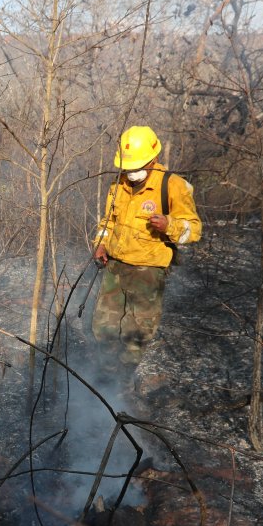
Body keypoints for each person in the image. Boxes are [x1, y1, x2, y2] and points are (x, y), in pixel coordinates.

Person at [92, 126, 202, 368]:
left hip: (148, 270)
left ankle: (124, 377)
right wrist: (101, 244)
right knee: (104, 326)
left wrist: (169, 225)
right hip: (115, 266)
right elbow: (108, 221)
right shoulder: (118, 185)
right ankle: (103, 373)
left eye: (137, 167)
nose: (132, 173)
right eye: (128, 167)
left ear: (154, 158)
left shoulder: (173, 186)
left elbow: (194, 230)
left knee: (138, 330)